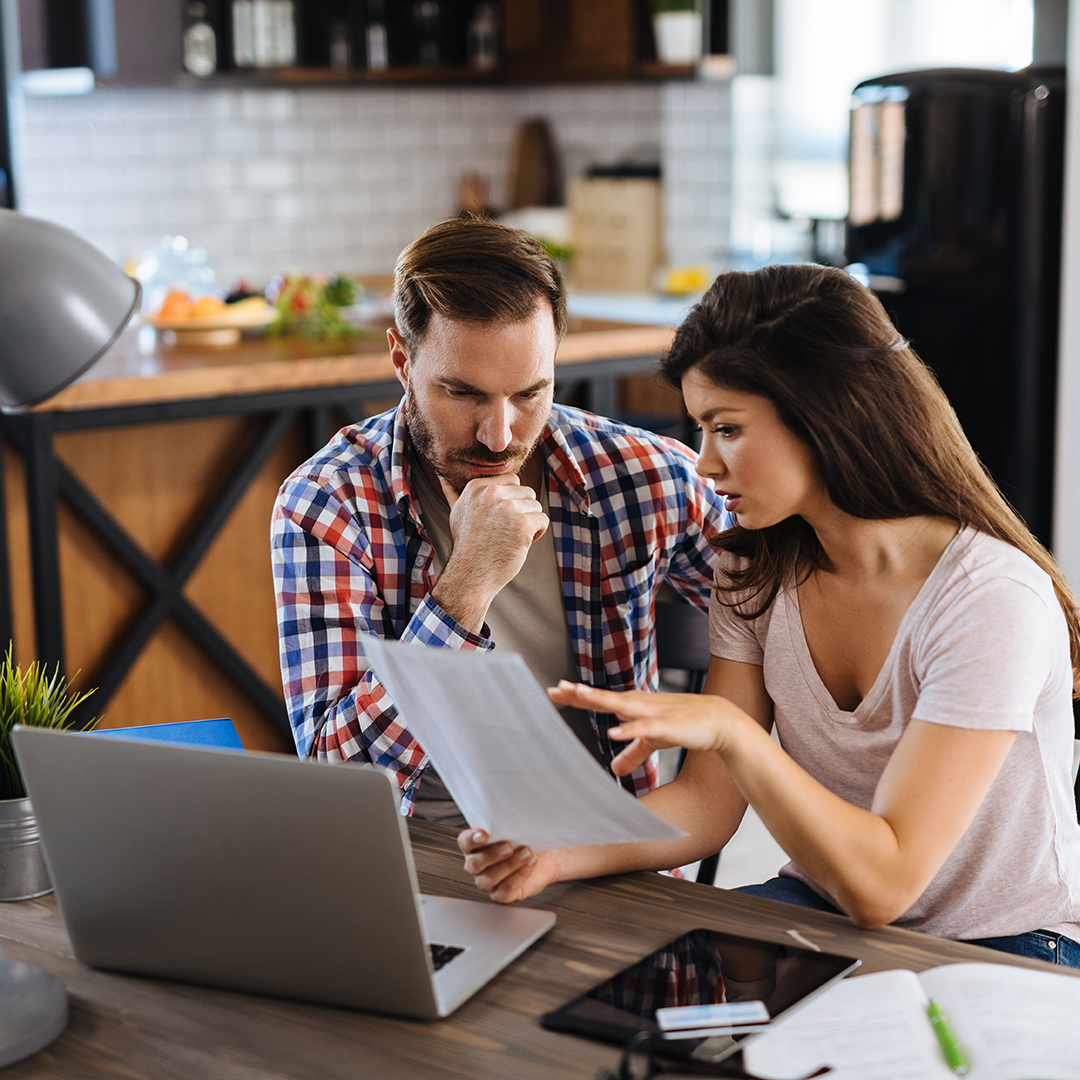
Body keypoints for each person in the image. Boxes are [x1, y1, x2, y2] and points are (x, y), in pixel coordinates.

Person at [459, 263, 1080, 966]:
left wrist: (733, 733)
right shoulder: (755, 567)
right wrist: (551, 848)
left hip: (1007, 945)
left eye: (726, 429)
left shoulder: (988, 599)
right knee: (617, 1009)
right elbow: (706, 806)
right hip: (826, 906)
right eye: (699, 430)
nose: (704, 465)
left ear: (827, 412)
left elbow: (886, 884)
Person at [271, 217, 729, 822]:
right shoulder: (328, 503)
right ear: (402, 360)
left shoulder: (642, 476)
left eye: (529, 393)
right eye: (463, 394)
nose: (499, 435)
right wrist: (465, 588)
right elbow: (339, 782)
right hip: (418, 859)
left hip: (611, 854)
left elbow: (787, 622)